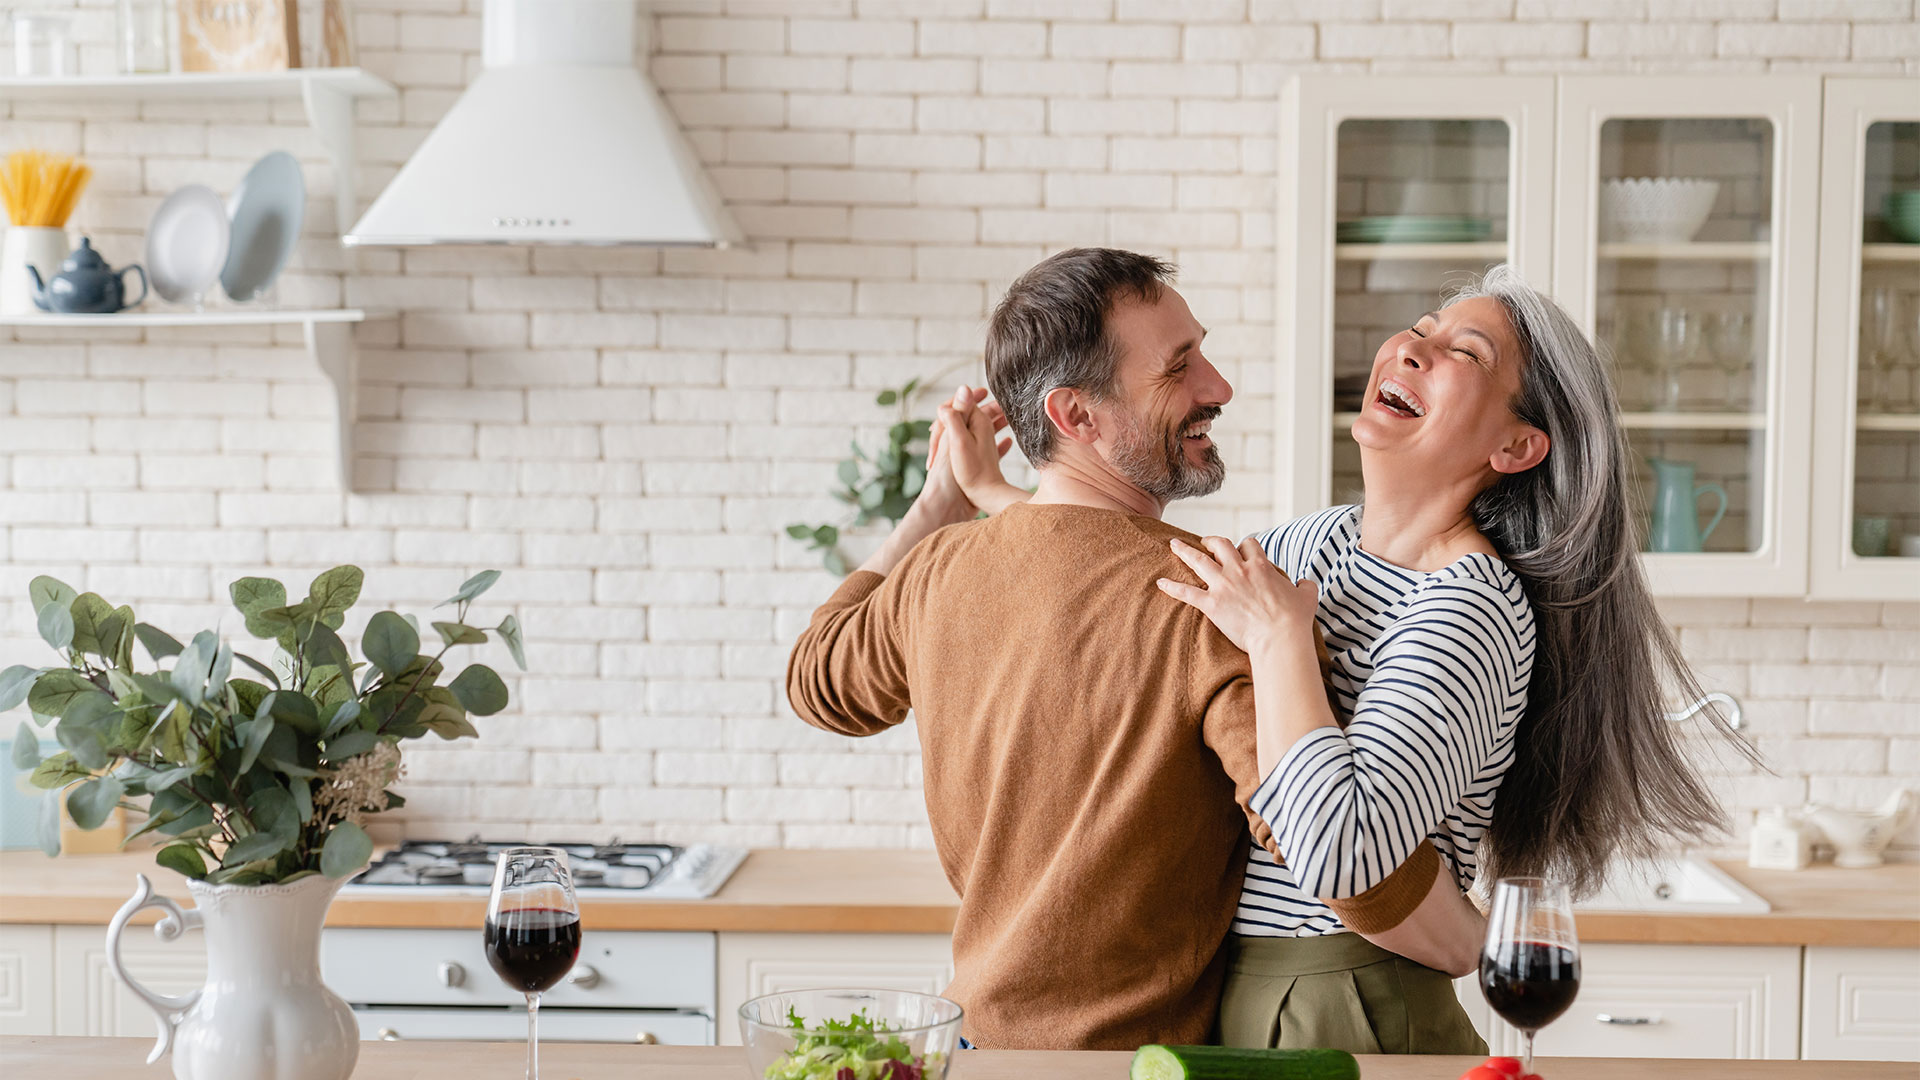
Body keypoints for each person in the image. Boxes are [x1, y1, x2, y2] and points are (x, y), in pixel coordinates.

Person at [939, 264, 1740, 1053]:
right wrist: (997, 494)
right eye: (1422, 330)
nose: (1412, 349)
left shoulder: (1469, 607)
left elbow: (1343, 855)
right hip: (1240, 991)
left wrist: (1283, 642)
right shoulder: (1313, 544)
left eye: (1466, 354)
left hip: (1351, 1000)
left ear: (1517, 445)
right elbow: (1143, 577)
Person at [785, 248, 1475, 1052]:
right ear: (1076, 417)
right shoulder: (1210, 602)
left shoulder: (938, 571)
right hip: (1127, 1066)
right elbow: (1337, 854)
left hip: (974, 1050)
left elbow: (817, 679)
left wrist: (935, 505)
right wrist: (1476, 942)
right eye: (1179, 369)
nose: (1218, 387)